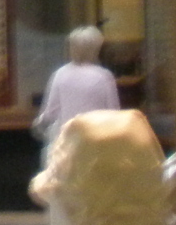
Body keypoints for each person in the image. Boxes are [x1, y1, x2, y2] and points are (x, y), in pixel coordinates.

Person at [32, 26, 121, 156]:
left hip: (68, 143)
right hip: (97, 142)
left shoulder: (60, 74)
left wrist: (39, 125)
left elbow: (50, 113)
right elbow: (114, 112)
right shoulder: (104, 76)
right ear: (95, 49)